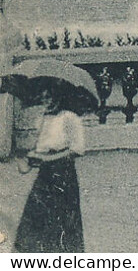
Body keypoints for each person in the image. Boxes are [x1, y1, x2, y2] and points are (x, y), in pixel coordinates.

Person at [13, 87, 85, 252]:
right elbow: (41, 147)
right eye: (44, 98)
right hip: (45, 173)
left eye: (50, 97)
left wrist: (48, 158)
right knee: (37, 215)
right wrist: (31, 155)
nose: (46, 101)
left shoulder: (70, 118)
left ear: (59, 97)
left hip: (63, 173)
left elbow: (77, 149)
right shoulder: (44, 119)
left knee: (63, 217)